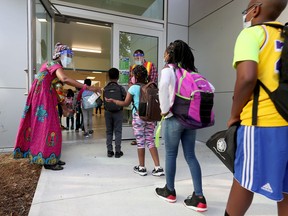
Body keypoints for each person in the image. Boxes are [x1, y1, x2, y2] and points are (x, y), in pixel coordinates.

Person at [225, 1, 288, 215]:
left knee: (244, 179)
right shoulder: (285, 35)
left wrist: (234, 114)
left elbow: (246, 78)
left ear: (256, 9)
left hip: (262, 123)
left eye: (247, 9)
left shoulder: (252, 34)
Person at [13, 42, 100, 171]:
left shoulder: (53, 67)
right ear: (59, 55)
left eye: (71, 55)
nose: (69, 58)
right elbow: (64, 79)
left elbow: (55, 87)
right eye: (67, 55)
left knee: (53, 127)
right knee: (47, 127)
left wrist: (63, 105)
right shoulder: (53, 64)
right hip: (42, 97)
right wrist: (89, 87)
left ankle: (52, 157)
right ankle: (48, 160)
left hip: (46, 96)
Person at [155, 40, 207, 212]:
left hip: (173, 118)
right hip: (190, 119)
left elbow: (163, 87)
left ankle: (169, 191)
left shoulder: (168, 70)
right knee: (191, 156)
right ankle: (199, 197)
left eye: (165, 52)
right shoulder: (190, 72)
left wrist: (164, 110)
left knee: (170, 154)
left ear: (169, 54)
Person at [105, 65, 164, 176]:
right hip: (150, 117)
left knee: (140, 141)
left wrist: (113, 101)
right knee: (150, 140)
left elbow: (125, 103)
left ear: (135, 77)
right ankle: (158, 167)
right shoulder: (150, 87)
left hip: (138, 118)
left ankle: (141, 167)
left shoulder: (133, 88)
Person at [129, 49, 158, 145]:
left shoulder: (150, 65)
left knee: (148, 114)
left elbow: (153, 81)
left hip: (147, 95)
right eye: (135, 57)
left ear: (143, 56)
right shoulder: (132, 67)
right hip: (137, 95)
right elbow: (130, 81)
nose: (137, 58)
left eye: (139, 56)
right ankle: (139, 138)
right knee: (138, 116)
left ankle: (147, 139)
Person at [103, 68, 126, 158]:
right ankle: (118, 151)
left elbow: (103, 100)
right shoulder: (120, 88)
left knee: (109, 132)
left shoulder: (105, 88)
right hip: (118, 112)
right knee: (118, 132)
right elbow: (125, 99)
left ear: (108, 77)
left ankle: (109, 151)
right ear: (118, 77)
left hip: (107, 112)